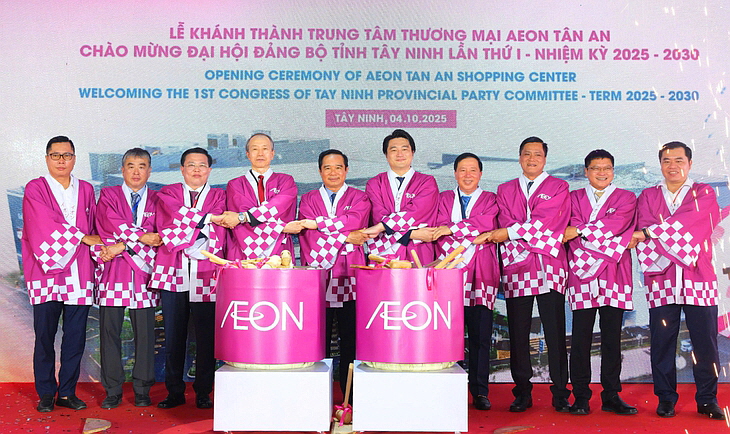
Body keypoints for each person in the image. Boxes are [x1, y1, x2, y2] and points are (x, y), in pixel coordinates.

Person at [631, 141, 725, 420]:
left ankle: (707, 399)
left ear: (690, 163)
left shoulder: (704, 192)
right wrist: (654, 234)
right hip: (661, 278)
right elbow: (644, 227)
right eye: (667, 161)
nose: (673, 166)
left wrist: (652, 234)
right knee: (662, 341)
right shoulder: (648, 195)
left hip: (699, 277)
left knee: (705, 342)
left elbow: (694, 224)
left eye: (679, 160)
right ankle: (665, 398)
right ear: (660, 164)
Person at [485, 136, 571, 413]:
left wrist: (512, 233)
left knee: (555, 333)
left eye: (537, 154)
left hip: (549, 268)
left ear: (545, 159)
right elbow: (505, 221)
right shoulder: (505, 189)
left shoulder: (559, 187)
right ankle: (522, 391)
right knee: (518, 333)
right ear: (519, 157)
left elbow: (548, 222)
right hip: (517, 268)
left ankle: (561, 393)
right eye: (527, 154)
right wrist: (520, 233)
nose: (532, 159)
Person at [22, 136, 101, 412]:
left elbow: (94, 226)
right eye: (55, 155)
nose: (61, 160)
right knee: (44, 337)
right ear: (47, 159)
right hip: (45, 272)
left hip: (79, 272)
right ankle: (46, 392)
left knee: (75, 338)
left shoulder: (86, 189)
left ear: (74, 159)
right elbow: (40, 224)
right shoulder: (36, 188)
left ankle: (67, 392)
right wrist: (82, 237)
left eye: (66, 155)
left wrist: (100, 247)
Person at [150, 147, 227, 409]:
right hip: (173, 271)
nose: (196, 170)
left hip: (207, 273)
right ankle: (174, 392)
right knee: (173, 336)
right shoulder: (168, 193)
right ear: (182, 169)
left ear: (209, 170)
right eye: (191, 165)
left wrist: (188, 227)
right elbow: (168, 225)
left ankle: (203, 391)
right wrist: (206, 222)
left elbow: (216, 230)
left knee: (206, 338)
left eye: (202, 165)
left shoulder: (219, 195)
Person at [562, 149, 637, 415]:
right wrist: (592, 235)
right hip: (581, 275)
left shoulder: (627, 198)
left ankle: (611, 395)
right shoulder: (573, 198)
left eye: (607, 168)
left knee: (611, 338)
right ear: (586, 171)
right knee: (580, 339)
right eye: (595, 168)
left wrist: (581, 230)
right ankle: (581, 396)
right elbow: (567, 228)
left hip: (614, 274)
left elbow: (618, 226)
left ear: (613, 171)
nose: (601, 172)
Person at [295, 149, 371, 403]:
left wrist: (320, 225)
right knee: (318, 340)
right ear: (320, 171)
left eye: (338, 167)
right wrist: (346, 237)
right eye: (327, 168)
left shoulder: (360, 197)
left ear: (346, 170)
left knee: (351, 339)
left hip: (350, 276)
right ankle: (318, 397)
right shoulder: (308, 199)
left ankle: (351, 397)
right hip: (320, 278)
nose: (333, 172)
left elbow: (355, 220)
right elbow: (308, 234)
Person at [431, 153, 499, 411]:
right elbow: (437, 228)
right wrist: (471, 235)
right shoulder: (443, 199)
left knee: (481, 337)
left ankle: (480, 391)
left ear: (480, 174)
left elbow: (487, 223)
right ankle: (449, 390)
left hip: (481, 274)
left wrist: (452, 228)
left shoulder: (491, 199)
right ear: (455, 174)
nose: (467, 175)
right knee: (448, 336)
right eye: (462, 170)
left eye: (473, 170)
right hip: (449, 273)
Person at [94, 148, 161, 409]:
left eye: (142, 166)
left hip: (144, 274)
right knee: (109, 333)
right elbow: (108, 225)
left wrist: (121, 245)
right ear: (122, 170)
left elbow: (158, 235)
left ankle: (143, 388)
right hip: (114, 273)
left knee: (146, 335)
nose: (136, 171)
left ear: (149, 171)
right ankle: (112, 390)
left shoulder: (158, 199)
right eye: (131, 166)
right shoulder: (109, 195)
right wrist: (141, 237)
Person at [362, 129, 439, 263]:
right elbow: (377, 217)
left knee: (418, 277)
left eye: (404, 149)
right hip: (382, 252)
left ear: (412, 153)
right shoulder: (374, 184)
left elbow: (417, 212)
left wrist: (382, 227)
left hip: (418, 251)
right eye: (393, 150)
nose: (400, 154)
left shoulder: (427, 182)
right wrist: (412, 234)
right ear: (386, 155)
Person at [217, 133, 298, 257]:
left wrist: (242, 217)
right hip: (244, 248)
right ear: (248, 154)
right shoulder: (235, 185)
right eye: (255, 149)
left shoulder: (286, 181)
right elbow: (240, 223)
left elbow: (278, 208)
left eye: (265, 149)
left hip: (279, 248)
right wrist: (282, 227)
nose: (260, 153)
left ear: (272, 154)